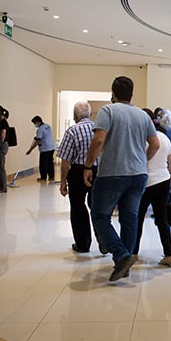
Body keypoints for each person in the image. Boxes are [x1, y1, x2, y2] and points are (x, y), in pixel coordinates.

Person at [83, 76, 159, 282]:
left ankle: (121, 254)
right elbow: (155, 144)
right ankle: (123, 266)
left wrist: (88, 166)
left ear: (113, 93)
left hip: (112, 174)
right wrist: (142, 160)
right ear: (132, 94)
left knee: (100, 216)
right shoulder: (142, 116)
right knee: (129, 219)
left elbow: (98, 139)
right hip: (138, 175)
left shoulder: (108, 111)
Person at [135, 108, 171, 265]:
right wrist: (168, 181)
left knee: (138, 218)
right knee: (162, 219)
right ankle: (169, 254)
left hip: (146, 183)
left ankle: (133, 252)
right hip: (163, 181)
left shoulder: (142, 139)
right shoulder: (164, 137)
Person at [57, 101, 98, 253]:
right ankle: (104, 239)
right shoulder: (99, 130)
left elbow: (66, 161)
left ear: (75, 116)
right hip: (98, 171)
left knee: (78, 207)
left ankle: (83, 243)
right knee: (98, 208)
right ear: (90, 114)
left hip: (78, 172)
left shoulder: (72, 131)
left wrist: (63, 182)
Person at [26, 115, 55, 182]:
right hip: (51, 147)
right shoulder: (47, 126)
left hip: (45, 149)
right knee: (50, 163)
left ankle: (43, 178)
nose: (35, 125)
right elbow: (44, 136)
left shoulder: (40, 130)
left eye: (35, 123)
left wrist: (30, 149)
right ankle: (51, 177)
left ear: (38, 122)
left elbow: (38, 140)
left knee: (43, 164)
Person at [0, 106, 10, 193]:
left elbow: (2, 136)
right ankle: (1, 185)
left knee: (0, 166)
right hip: (1, 145)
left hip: (2, 146)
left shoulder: (3, 122)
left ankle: (3, 187)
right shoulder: (2, 122)